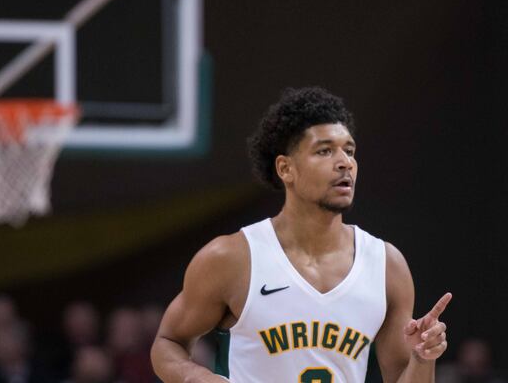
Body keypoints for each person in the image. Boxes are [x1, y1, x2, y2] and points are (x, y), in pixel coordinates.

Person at [151, 87, 452, 382]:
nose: (345, 162)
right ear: (285, 169)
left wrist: (421, 358)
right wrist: (196, 377)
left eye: (349, 151)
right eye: (324, 151)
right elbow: (168, 343)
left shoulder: (387, 265)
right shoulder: (232, 258)